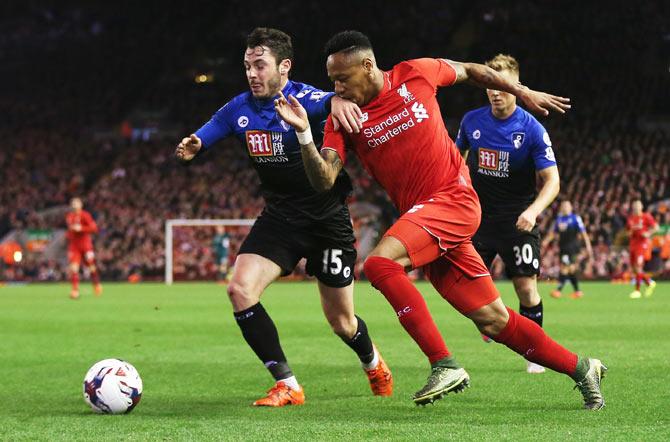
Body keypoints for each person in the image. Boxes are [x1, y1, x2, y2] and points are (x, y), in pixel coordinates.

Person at [274, 30, 606, 410]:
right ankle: (583, 368)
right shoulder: (343, 118)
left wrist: (523, 91)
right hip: (426, 220)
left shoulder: (416, 73)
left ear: (368, 66)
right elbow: (324, 179)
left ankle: (442, 363)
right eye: (332, 80)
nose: (337, 88)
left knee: (381, 264)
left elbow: (472, 70)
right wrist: (303, 133)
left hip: (453, 200)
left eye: (342, 79)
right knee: (494, 320)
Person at [175, 27, 392, 407]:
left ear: (284, 67)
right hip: (281, 219)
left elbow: (332, 101)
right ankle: (288, 384)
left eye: (260, 65)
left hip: (328, 221)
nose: (252, 73)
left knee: (343, 323)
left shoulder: (307, 99)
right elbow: (208, 131)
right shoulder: (238, 109)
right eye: (247, 66)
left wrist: (338, 104)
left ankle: (372, 361)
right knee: (239, 290)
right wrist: (195, 143)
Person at [455, 54, 559, 374]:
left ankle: (534, 352)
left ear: (515, 86)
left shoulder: (531, 129)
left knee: (526, 288)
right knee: (467, 290)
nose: (495, 92)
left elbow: (552, 181)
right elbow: (455, 162)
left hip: (518, 220)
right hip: (478, 219)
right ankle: (496, 322)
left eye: (501, 85)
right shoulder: (471, 121)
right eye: (490, 84)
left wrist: (533, 211)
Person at [543, 201, 593, 299]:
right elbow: (553, 233)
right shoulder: (559, 219)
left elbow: (583, 233)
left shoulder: (575, 218)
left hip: (573, 248)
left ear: (570, 208)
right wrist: (546, 241)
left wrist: (588, 246)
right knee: (571, 269)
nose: (565, 208)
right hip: (563, 247)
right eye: (563, 206)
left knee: (565, 268)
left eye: (567, 206)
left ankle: (558, 291)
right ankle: (577, 291)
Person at [65, 197, 102, 299]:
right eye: (73, 203)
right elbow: (70, 230)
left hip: (86, 246)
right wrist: (68, 235)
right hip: (74, 246)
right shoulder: (69, 217)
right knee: (74, 268)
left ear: (81, 205)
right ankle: (75, 291)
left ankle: (96, 284)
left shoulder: (85, 215)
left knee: (91, 266)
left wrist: (81, 228)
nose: (74, 205)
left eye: (76, 203)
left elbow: (94, 228)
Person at [626, 200, 658, 299]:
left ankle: (637, 291)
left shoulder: (646, 217)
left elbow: (656, 227)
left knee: (639, 266)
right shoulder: (630, 219)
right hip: (633, 245)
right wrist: (630, 233)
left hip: (642, 244)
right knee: (634, 269)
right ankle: (649, 282)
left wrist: (648, 233)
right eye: (634, 206)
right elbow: (628, 232)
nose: (636, 207)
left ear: (641, 207)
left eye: (637, 206)